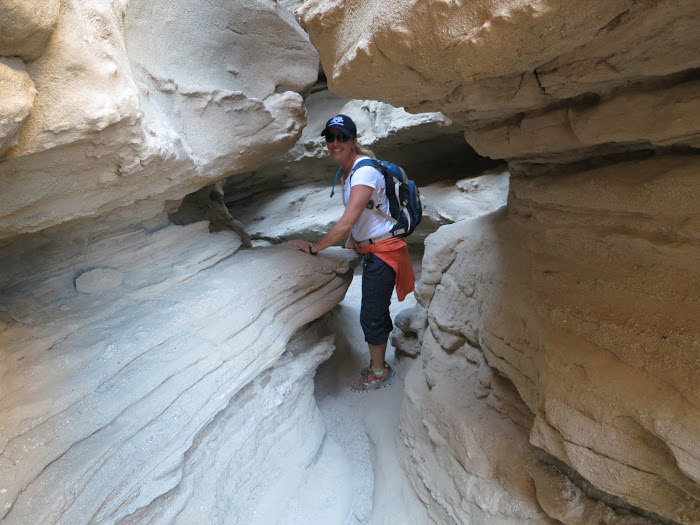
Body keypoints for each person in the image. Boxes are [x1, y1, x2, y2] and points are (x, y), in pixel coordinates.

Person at [289, 114, 415, 392]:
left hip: (384, 252)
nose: (335, 143)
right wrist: (352, 245)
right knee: (375, 308)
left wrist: (314, 248)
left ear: (354, 140)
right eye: (330, 137)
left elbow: (347, 220)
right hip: (373, 249)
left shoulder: (364, 172)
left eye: (342, 137)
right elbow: (358, 222)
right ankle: (378, 362)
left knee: (371, 313)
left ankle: (380, 371)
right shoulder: (350, 172)